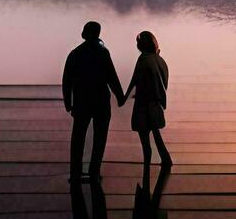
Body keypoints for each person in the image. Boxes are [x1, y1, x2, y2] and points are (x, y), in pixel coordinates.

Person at [62, 21, 124, 183]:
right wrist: (119, 96)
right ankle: (94, 172)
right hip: (101, 101)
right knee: (100, 137)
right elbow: (112, 77)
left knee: (78, 137)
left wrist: (68, 102)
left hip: (82, 101)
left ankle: (75, 172)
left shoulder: (75, 53)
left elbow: (67, 80)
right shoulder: (103, 52)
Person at [124, 30, 172, 170]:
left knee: (145, 142)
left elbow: (134, 81)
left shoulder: (143, 59)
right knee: (157, 135)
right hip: (156, 104)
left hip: (143, 104)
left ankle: (146, 171)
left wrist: (123, 98)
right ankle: (165, 160)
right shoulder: (160, 60)